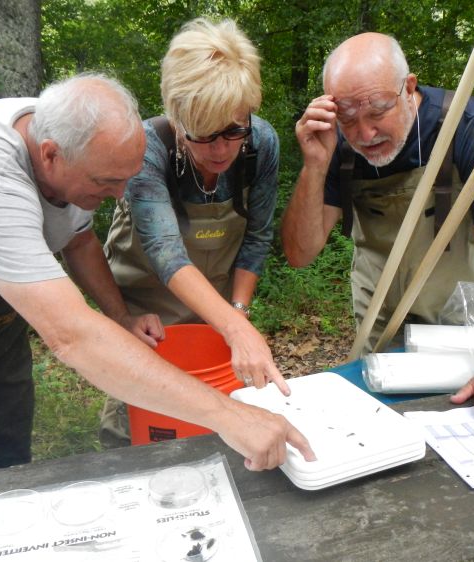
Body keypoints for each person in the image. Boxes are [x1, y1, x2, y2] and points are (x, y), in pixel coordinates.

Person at [0, 72, 314, 480]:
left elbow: (79, 238)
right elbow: (71, 336)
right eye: (107, 182)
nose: (120, 195)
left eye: (126, 178)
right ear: (49, 155)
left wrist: (120, 317)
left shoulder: (71, 129)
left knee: (10, 438)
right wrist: (231, 416)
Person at [281, 33, 474, 423]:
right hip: (378, 309)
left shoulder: (469, 128)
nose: (365, 134)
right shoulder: (334, 144)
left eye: (378, 112)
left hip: (457, 310)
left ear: (408, 87)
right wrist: (314, 165)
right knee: (380, 420)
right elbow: (300, 254)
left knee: (459, 416)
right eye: (348, 117)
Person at [99, 18, 285, 448]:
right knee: (136, 431)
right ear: (176, 116)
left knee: (215, 431)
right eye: (203, 135)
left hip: (214, 317)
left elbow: (257, 239)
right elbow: (166, 251)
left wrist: (236, 314)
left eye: (234, 130)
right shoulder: (144, 149)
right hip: (146, 321)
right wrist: (238, 330)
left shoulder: (261, 147)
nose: (221, 150)